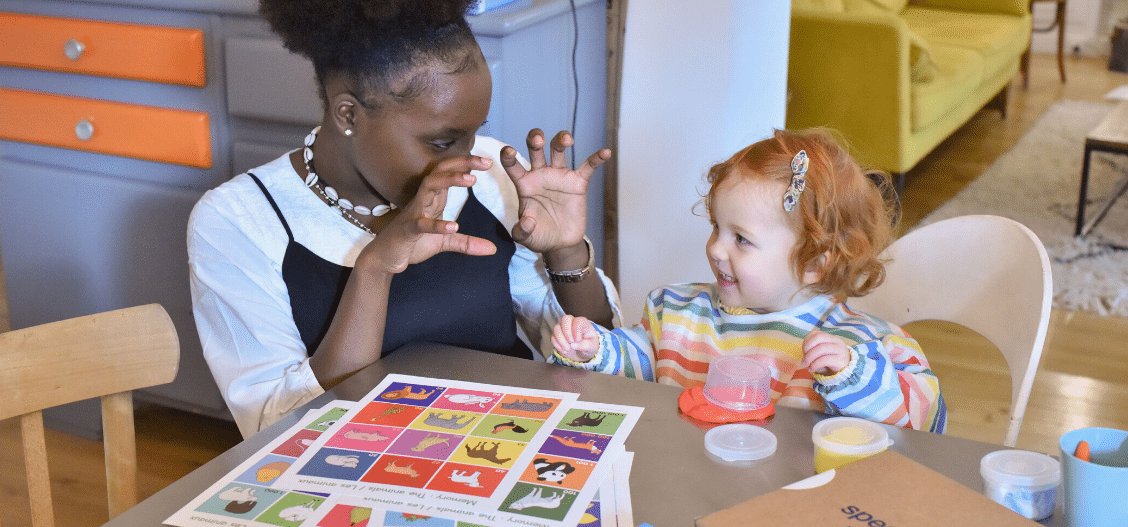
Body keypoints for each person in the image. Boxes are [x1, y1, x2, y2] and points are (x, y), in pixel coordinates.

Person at [188, 0, 620, 437]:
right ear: (348, 115)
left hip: (503, 444)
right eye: (441, 142)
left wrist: (566, 253)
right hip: (355, 475)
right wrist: (374, 269)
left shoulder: (490, 173)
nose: (466, 160)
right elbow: (276, 427)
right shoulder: (238, 220)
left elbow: (596, 352)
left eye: (473, 133)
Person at [550, 128, 946, 433]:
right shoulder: (677, 312)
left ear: (815, 264)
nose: (716, 250)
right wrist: (598, 350)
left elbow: (927, 420)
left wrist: (853, 378)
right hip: (678, 481)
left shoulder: (859, 344)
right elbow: (643, 366)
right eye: (716, 227)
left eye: (741, 239)